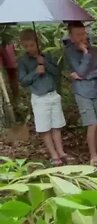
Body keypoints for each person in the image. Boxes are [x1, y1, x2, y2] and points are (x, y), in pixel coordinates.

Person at [17, 29, 72, 166]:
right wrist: (35, 72)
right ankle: (53, 155)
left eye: (32, 45)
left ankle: (61, 151)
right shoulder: (23, 61)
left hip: (52, 94)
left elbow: (57, 72)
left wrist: (45, 63)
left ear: (38, 42)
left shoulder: (47, 56)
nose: (30, 48)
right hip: (39, 97)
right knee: (45, 127)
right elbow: (23, 81)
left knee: (56, 126)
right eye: (27, 46)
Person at [64, 22, 97, 167]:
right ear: (71, 37)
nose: (82, 37)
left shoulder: (94, 50)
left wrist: (86, 75)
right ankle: (93, 156)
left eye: (83, 33)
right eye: (78, 35)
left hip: (96, 89)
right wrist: (85, 55)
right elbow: (79, 71)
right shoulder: (70, 51)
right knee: (91, 123)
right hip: (82, 92)